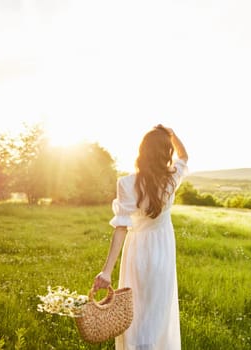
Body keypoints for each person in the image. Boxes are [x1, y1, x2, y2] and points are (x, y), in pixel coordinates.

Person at [93, 124, 188, 350]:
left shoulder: (126, 183)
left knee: (136, 308)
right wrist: (172, 135)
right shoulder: (172, 178)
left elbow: (121, 229)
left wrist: (107, 271)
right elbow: (184, 155)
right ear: (166, 153)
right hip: (163, 249)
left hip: (137, 249)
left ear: (142, 151)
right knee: (157, 308)